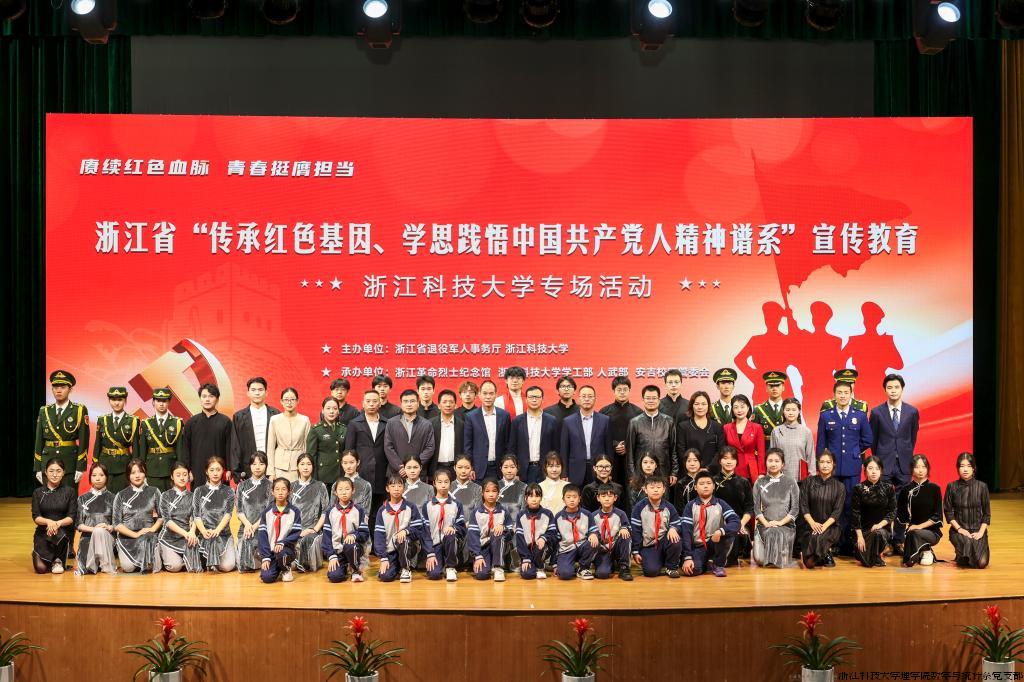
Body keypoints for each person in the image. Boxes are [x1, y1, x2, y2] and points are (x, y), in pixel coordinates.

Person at [816, 379, 873, 551]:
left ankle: (849, 542)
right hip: (832, 469)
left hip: (851, 466)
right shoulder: (826, 416)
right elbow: (821, 444)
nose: (842, 396)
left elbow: (868, 439)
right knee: (832, 504)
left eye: (846, 393)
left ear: (851, 394)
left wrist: (855, 451)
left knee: (850, 504)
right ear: (834, 395)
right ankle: (834, 542)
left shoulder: (860, 415)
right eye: (839, 392)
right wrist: (822, 464)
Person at [869, 373, 919, 550]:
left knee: (902, 503)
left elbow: (912, 438)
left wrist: (904, 455)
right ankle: (884, 540)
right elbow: (873, 441)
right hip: (884, 464)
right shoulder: (877, 412)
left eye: (896, 387)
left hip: (904, 464)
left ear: (902, 389)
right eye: (889, 387)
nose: (893, 391)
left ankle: (898, 540)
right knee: (883, 503)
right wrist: (879, 462)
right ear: (885, 390)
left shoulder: (912, 412)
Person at [680, 470, 741, 577]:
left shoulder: (720, 503)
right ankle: (706, 563)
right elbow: (686, 532)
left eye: (709, 483)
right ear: (695, 487)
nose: (705, 486)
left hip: (715, 542)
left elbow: (736, 522)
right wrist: (688, 557)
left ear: (713, 486)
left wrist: (721, 531)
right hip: (698, 546)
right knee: (693, 570)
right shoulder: (690, 506)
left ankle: (718, 564)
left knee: (729, 533)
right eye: (701, 483)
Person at [35, 369, 89, 489]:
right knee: (48, 498)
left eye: (63, 387)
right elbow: (39, 441)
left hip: (69, 462)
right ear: (52, 389)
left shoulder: (79, 410)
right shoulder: (44, 411)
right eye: (55, 387)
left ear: (70, 389)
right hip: (48, 462)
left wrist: (80, 467)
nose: (58, 390)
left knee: (69, 497)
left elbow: (84, 440)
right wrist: (38, 467)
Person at [375, 474, 434, 583]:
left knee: (403, 539)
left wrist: (406, 531)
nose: (396, 489)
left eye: (399, 486)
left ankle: (406, 569)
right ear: (387, 488)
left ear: (404, 488)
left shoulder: (411, 507)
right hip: (391, 549)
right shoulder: (382, 510)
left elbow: (418, 529)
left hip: (409, 546)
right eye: (393, 486)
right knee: (385, 577)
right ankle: (397, 566)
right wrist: (383, 558)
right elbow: (379, 536)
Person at [345, 390, 388, 527]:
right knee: (360, 510)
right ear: (363, 403)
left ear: (380, 403)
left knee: (379, 511)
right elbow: (349, 451)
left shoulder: (387, 423)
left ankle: (377, 539)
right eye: (368, 401)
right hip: (361, 472)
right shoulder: (354, 424)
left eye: (375, 401)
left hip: (381, 473)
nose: (371, 404)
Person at [751, 449, 800, 568]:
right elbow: (756, 508)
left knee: (775, 531)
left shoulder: (791, 482)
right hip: (764, 525)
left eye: (777, 461)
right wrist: (766, 523)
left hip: (785, 525)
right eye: (770, 460)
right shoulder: (759, 482)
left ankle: (776, 557)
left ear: (782, 464)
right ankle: (773, 557)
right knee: (760, 560)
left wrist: (779, 523)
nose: (773, 464)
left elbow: (795, 509)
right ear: (765, 462)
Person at [797, 451, 845, 569]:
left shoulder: (840, 486)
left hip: (830, 526)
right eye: (822, 462)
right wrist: (813, 523)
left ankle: (826, 552)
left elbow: (837, 511)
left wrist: (823, 527)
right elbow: (803, 505)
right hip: (809, 525)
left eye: (828, 462)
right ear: (818, 464)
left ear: (833, 464)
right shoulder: (808, 481)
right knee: (809, 563)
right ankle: (824, 553)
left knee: (820, 537)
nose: (825, 465)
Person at [114, 458, 163, 573]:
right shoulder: (121, 495)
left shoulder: (154, 491)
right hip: (127, 538)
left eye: (140, 471)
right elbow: (116, 524)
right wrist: (135, 534)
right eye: (133, 473)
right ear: (128, 475)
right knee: (128, 568)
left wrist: (152, 529)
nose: (137, 475)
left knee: (148, 567)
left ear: (145, 472)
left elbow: (162, 517)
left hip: (147, 537)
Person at [943, 452, 991, 569]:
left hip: (977, 530)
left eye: (969, 466)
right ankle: (962, 553)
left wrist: (981, 532)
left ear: (973, 468)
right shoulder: (952, 486)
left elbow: (986, 514)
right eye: (962, 466)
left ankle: (962, 554)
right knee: (967, 552)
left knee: (982, 563)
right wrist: (960, 529)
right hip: (959, 530)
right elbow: (948, 512)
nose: (965, 469)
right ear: (958, 468)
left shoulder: (982, 487)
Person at [629, 476, 682, 578]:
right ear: (645, 489)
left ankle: (671, 567)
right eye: (652, 487)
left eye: (658, 487)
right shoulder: (639, 507)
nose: (656, 490)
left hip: (664, 541)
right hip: (649, 545)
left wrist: (673, 528)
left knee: (675, 539)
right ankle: (658, 561)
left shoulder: (669, 507)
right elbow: (636, 531)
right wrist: (635, 551)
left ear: (664, 490)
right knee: (651, 572)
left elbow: (677, 523)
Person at [181, 384, 233, 487]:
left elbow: (230, 448)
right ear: (200, 398)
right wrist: (187, 469)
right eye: (204, 396)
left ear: (217, 399)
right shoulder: (191, 422)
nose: (207, 399)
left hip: (219, 471)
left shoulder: (226, 422)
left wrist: (229, 469)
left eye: (211, 396)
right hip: (197, 471)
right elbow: (185, 449)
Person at [31, 458, 77, 574]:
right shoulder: (37, 492)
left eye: (58, 471)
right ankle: (41, 553)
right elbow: (36, 517)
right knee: (41, 569)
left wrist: (57, 523)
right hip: (44, 530)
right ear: (45, 472)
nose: (55, 474)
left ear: (63, 473)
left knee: (59, 534)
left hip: (63, 531)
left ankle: (57, 559)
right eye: (51, 471)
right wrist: (49, 522)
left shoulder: (70, 491)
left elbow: (71, 517)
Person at [229, 377, 280, 482]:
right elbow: (235, 446)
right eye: (253, 390)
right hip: (247, 471)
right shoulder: (239, 416)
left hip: (272, 470)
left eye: (260, 390)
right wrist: (237, 473)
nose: (257, 393)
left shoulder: (276, 414)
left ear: (266, 393)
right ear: (248, 393)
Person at [421, 467, 466, 582]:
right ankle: (439, 565)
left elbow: (462, 527)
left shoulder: (457, 504)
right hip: (434, 545)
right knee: (434, 575)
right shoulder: (427, 506)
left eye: (446, 482)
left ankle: (451, 567)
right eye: (440, 482)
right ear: (434, 483)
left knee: (450, 535)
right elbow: (425, 532)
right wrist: (430, 553)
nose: (443, 485)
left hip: (450, 544)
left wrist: (453, 527)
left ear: (450, 483)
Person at [896, 454, 942, 567]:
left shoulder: (935, 488)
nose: (920, 470)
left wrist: (919, 526)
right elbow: (901, 515)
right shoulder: (906, 490)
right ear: (912, 469)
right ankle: (923, 550)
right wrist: (907, 516)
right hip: (912, 531)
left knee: (914, 533)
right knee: (911, 534)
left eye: (923, 467)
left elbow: (937, 516)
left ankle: (926, 550)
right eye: (917, 467)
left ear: (928, 468)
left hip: (931, 532)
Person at [192, 456, 236, 572]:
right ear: (207, 472)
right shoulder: (199, 490)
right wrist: (203, 531)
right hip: (205, 535)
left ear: (223, 471)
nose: (215, 473)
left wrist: (217, 530)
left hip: (223, 534)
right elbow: (196, 515)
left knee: (227, 566)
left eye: (218, 469)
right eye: (211, 470)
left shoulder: (229, 491)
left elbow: (228, 514)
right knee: (199, 566)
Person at [851, 456, 896, 568]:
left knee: (878, 533)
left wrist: (879, 525)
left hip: (882, 531)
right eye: (870, 468)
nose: (874, 472)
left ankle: (874, 556)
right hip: (863, 532)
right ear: (865, 470)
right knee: (863, 553)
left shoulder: (888, 488)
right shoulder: (859, 488)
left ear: (881, 470)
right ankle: (873, 556)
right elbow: (855, 513)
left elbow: (892, 512)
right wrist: (859, 536)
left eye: (877, 468)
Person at [92, 386, 140, 494]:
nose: (116, 403)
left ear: (125, 400)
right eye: (113, 399)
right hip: (105, 464)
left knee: (122, 497)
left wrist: (135, 467)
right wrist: (95, 463)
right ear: (109, 400)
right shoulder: (102, 420)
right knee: (104, 497)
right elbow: (98, 443)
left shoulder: (133, 420)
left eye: (120, 399)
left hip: (124, 465)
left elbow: (136, 446)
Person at [625, 385, 676, 484]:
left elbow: (673, 449)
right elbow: (630, 452)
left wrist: (674, 472)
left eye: (654, 398)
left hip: (663, 471)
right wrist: (632, 474)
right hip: (641, 473)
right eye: (648, 398)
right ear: (643, 400)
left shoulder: (669, 421)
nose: (651, 401)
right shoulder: (634, 422)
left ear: (659, 400)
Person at [323, 477, 369, 583]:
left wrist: (354, 535)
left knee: (350, 545)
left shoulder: (359, 510)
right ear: (335, 492)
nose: (344, 492)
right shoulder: (330, 512)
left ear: (353, 490)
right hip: (338, 551)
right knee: (334, 577)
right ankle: (344, 566)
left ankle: (355, 569)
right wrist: (332, 555)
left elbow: (365, 533)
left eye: (347, 489)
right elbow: (326, 537)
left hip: (354, 548)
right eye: (340, 489)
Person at [136, 387, 183, 492]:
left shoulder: (177, 423)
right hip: (152, 470)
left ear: (169, 402)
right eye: (158, 401)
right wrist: (142, 471)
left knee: (171, 500)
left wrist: (180, 470)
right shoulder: (146, 424)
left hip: (170, 469)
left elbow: (180, 449)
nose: (161, 404)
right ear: (153, 402)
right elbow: (143, 450)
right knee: (153, 500)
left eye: (164, 401)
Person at [508, 385, 559, 484]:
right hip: (523, 470)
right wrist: (515, 471)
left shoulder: (552, 420)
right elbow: (512, 448)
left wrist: (554, 468)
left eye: (537, 397)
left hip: (545, 469)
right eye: (531, 397)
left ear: (542, 399)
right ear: (526, 399)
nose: (534, 400)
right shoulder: (517, 421)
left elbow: (556, 448)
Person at [157, 462, 201, 573]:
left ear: (189, 476)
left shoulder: (193, 496)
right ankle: (161, 554)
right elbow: (167, 521)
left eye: (185, 474)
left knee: (194, 566)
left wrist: (192, 532)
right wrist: (186, 533)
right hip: (169, 537)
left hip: (187, 537)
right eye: (178, 475)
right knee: (175, 567)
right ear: (172, 476)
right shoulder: (165, 495)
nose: (182, 478)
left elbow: (196, 516)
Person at [713, 447, 754, 566]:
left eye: (732, 458)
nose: (729, 461)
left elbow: (749, 507)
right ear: (720, 461)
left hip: (740, 522)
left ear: (736, 461)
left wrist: (740, 524)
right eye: (725, 458)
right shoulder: (713, 481)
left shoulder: (744, 482)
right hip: (718, 523)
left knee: (739, 535)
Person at [600, 376, 643, 486]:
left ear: (630, 390)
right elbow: (600, 435)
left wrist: (627, 446)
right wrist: (614, 445)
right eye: (619, 389)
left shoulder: (638, 412)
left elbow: (642, 436)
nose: (622, 392)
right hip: (611, 457)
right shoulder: (604, 412)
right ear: (613, 391)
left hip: (632, 458)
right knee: (611, 487)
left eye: (625, 389)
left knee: (631, 488)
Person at [74, 462, 117, 575]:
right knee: (98, 531)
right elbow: (78, 524)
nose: (98, 478)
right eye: (94, 475)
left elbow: (117, 524)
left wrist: (109, 527)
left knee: (100, 532)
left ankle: (106, 565)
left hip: (107, 538)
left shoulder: (113, 498)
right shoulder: (82, 499)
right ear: (90, 478)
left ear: (106, 477)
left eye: (101, 475)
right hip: (87, 538)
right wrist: (95, 529)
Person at [467, 479, 513, 581]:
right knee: (481, 575)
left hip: (499, 546)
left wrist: (504, 528)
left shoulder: (504, 511)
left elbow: (511, 532)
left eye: (494, 491)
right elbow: (473, 536)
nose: (491, 494)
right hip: (482, 548)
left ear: (498, 493)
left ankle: (498, 568)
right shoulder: (476, 512)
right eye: (487, 491)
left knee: (498, 534)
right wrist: (477, 556)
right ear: (482, 493)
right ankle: (487, 563)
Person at [258, 477, 301, 584]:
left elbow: (296, 533)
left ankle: (286, 569)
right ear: (272, 492)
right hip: (271, 552)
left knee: (281, 553)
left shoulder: (295, 511)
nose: (280, 492)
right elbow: (262, 536)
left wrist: (283, 542)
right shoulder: (266, 512)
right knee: (267, 578)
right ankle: (277, 567)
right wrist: (266, 557)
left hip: (286, 550)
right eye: (277, 489)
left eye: (284, 489)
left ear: (289, 492)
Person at [291, 453, 329, 572]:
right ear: (297, 467)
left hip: (313, 530)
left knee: (307, 540)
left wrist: (315, 529)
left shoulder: (320, 486)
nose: (305, 467)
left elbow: (326, 511)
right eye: (302, 464)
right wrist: (298, 532)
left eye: (308, 464)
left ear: (313, 466)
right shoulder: (291, 486)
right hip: (295, 529)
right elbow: (287, 513)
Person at [385, 389, 436, 478]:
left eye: (412, 401)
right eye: (405, 401)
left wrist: (414, 466)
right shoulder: (391, 423)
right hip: (396, 473)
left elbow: (430, 448)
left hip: (418, 474)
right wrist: (400, 467)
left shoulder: (426, 424)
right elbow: (388, 447)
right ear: (401, 404)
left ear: (418, 404)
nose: (409, 404)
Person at [235, 452, 273, 573]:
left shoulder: (270, 486)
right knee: (241, 563)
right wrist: (247, 525)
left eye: (261, 464)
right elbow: (239, 510)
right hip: (245, 529)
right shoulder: (242, 485)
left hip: (263, 528)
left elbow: (269, 511)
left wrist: (255, 526)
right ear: (250, 466)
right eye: (254, 464)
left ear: (266, 465)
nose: (257, 467)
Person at [266, 387, 312, 482]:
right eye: (286, 400)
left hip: (299, 466)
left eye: (292, 399)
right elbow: (270, 447)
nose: (289, 403)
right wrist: (271, 472)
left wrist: (306, 467)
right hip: (279, 466)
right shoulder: (275, 420)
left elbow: (307, 446)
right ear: (281, 402)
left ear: (297, 401)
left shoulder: (305, 420)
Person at [552, 485, 597, 580]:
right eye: (568, 497)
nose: (572, 500)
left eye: (574, 497)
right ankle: (572, 567)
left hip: (583, 547)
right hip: (566, 549)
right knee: (565, 574)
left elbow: (594, 530)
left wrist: (593, 534)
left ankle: (583, 568)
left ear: (579, 499)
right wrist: (555, 563)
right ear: (563, 499)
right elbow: (556, 541)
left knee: (594, 540)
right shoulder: (558, 517)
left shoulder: (587, 514)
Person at [516, 483, 557, 580]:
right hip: (527, 551)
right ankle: (530, 563)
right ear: (526, 498)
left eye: (537, 496)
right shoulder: (520, 515)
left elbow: (553, 533)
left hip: (542, 548)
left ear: (541, 498)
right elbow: (520, 539)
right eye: (531, 496)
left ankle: (540, 567)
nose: (534, 499)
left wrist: (544, 538)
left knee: (539, 546)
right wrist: (525, 558)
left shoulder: (548, 514)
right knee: (527, 575)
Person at [677, 391, 724, 474]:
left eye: (703, 404)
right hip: (689, 472)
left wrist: (708, 468)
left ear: (708, 406)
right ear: (691, 406)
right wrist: (693, 468)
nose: (700, 407)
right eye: (696, 404)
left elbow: (720, 451)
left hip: (712, 473)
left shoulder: (717, 427)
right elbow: (681, 451)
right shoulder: (683, 427)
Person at [592, 483, 633, 581]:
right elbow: (591, 532)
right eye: (603, 496)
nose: (607, 499)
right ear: (598, 498)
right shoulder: (593, 516)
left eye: (610, 496)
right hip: (602, 550)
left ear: (615, 498)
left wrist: (624, 528)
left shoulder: (621, 514)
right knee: (602, 574)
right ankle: (608, 563)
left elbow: (628, 527)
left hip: (616, 547)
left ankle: (624, 567)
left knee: (625, 535)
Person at [342, 449, 373, 572]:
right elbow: (332, 509)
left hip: (358, 527)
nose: (348, 466)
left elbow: (366, 512)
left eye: (351, 462)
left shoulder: (365, 485)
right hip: (340, 527)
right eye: (345, 463)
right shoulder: (336, 485)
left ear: (358, 462)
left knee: (361, 567)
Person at [770, 398, 815, 481]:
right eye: (788, 410)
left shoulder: (806, 431)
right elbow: (772, 456)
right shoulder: (776, 431)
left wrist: (812, 477)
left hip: (801, 478)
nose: (791, 413)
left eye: (794, 410)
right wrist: (771, 476)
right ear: (783, 411)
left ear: (799, 411)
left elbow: (810, 457)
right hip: (780, 477)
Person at [723, 395, 765, 483]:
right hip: (732, 468)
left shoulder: (757, 427)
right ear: (732, 409)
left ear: (748, 408)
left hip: (751, 469)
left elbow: (761, 453)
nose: (739, 410)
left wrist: (762, 472)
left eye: (742, 407)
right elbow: (723, 451)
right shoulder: (726, 428)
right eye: (736, 407)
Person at [306, 397, 347, 485]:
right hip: (323, 476)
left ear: (338, 411)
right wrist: (313, 479)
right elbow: (311, 456)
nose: (331, 411)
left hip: (340, 475)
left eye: (335, 408)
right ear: (322, 411)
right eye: (328, 408)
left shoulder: (344, 428)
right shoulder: (316, 430)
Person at [429, 389, 464, 477]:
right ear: (439, 405)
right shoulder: (430, 424)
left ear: (455, 405)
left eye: (451, 402)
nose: (448, 405)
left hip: (455, 468)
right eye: (444, 402)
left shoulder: (462, 425)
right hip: (436, 467)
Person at [751, 371, 788, 452]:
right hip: (766, 450)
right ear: (766, 388)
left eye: (777, 385)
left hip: (786, 449)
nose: (774, 389)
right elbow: (753, 435)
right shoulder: (758, 410)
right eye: (771, 386)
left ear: (783, 387)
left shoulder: (790, 408)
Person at [497, 454, 527, 523]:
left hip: (516, 525)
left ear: (517, 468)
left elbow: (524, 512)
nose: (509, 471)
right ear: (501, 468)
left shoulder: (523, 487)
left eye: (512, 467)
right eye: (506, 467)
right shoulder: (495, 486)